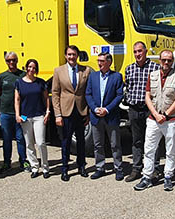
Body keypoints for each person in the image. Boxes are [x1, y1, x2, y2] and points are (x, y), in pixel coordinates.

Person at [135, 50, 175, 192]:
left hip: (171, 120)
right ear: (159, 60)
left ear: (172, 61)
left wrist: (166, 115)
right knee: (149, 149)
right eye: (164, 60)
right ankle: (147, 177)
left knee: (170, 150)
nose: (166, 62)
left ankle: (168, 176)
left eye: (169, 60)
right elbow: (147, 97)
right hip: (154, 119)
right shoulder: (153, 75)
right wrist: (156, 114)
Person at [50, 45, 91, 181]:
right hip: (65, 112)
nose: (71, 57)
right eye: (69, 54)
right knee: (66, 141)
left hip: (81, 111)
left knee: (81, 141)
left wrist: (88, 113)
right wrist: (57, 115)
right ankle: (65, 169)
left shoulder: (85, 70)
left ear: (77, 56)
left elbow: (88, 92)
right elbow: (55, 93)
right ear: (65, 56)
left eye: (74, 54)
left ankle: (81, 166)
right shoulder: (58, 71)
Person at [85, 51, 125, 180]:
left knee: (115, 144)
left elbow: (119, 95)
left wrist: (107, 109)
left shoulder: (117, 77)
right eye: (98, 61)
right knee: (98, 144)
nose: (99, 63)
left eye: (102, 61)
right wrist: (95, 108)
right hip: (96, 116)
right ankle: (100, 168)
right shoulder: (93, 76)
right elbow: (88, 94)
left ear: (109, 62)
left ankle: (118, 168)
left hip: (110, 116)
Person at [123, 41, 157, 181]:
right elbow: (128, 87)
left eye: (140, 51)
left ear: (146, 51)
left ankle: (154, 169)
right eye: (135, 52)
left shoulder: (155, 68)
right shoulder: (129, 69)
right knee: (136, 140)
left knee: (152, 140)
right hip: (134, 109)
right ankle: (136, 169)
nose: (137, 54)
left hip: (150, 110)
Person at [15, 59, 51, 178]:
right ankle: (34, 167)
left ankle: (45, 167)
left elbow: (46, 98)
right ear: (26, 68)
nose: (31, 69)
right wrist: (17, 115)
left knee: (41, 143)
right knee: (29, 144)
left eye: (34, 68)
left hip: (39, 116)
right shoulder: (19, 82)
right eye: (30, 67)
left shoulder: (41, 82)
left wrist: (47, 111)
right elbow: (17, 99)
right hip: (25, 117)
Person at [0, 51, 27, 173]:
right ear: (6, 62)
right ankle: (6, 163)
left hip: (20, 113)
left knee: (20, 138)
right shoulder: (2, 77)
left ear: (17, 60)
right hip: (5, 113)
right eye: (9, 60)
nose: (11, 62)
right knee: (7, 139)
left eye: (14, 60)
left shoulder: (23, 75)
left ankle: (23, 161)